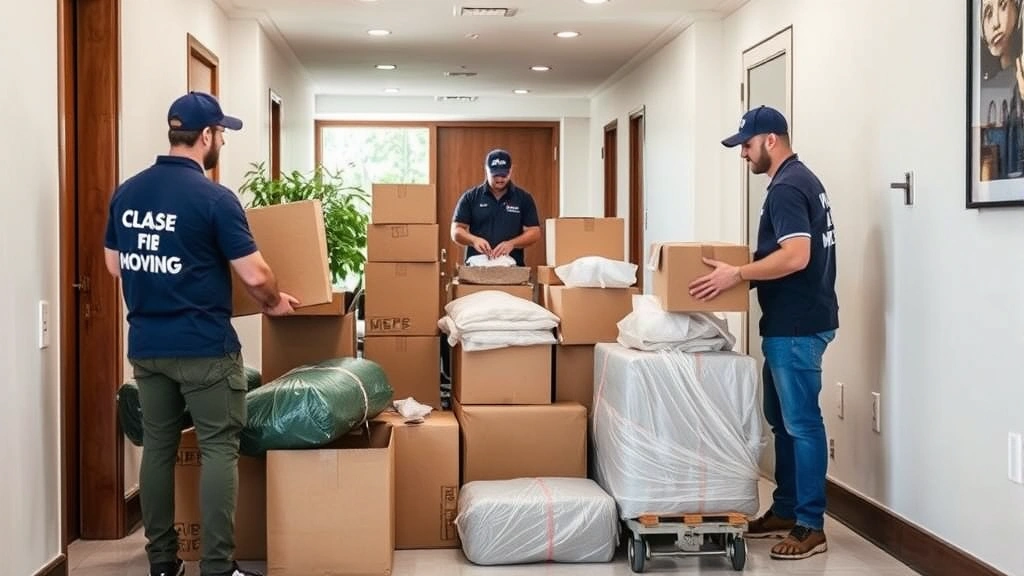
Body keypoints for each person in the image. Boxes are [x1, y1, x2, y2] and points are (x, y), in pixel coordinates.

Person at [103, 91, 297, 576]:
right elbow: (254, 275)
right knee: (217, 451)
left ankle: (163, 564)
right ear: (206, 136)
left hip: (147, 346)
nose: (222, 144)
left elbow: (113, 265)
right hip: (204, 348)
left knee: (158, 450)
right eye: (222, 135)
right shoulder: (214, 198)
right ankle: (216, 567)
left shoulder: (127, 192)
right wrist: (274, 303)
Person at [688, 105, 839, 561]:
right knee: (783, 422)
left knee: (801, 424)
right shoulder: (797, 180)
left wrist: (738, 274)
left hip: (797, 324)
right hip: (790, 321)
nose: (743, 155)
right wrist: (741, 275)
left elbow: (796, 256)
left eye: (747, 146)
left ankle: (810, 525)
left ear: (770, 140)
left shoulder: (789, 187)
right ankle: (788, 508)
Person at [450, 148, 542, 266]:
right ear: (486, 169)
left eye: (504, 175)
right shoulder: (471, 197)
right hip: (477, 269)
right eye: (495, 175)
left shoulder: (524, 198)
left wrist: (512, 243)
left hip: (512, 269)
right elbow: (456, 231)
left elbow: (534, 232)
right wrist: (474, 241)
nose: (499, 179)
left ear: (511, 170)